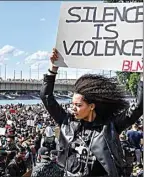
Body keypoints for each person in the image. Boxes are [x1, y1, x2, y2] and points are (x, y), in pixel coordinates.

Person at [40, 48, 143, 177]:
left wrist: (142, 75)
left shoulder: (110, 126)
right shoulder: (67, 122)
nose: (73, 108)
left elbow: (139, 107)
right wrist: (53, 68)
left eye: (78, 105)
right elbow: (46, 97)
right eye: (73, 104)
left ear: (91, 106)